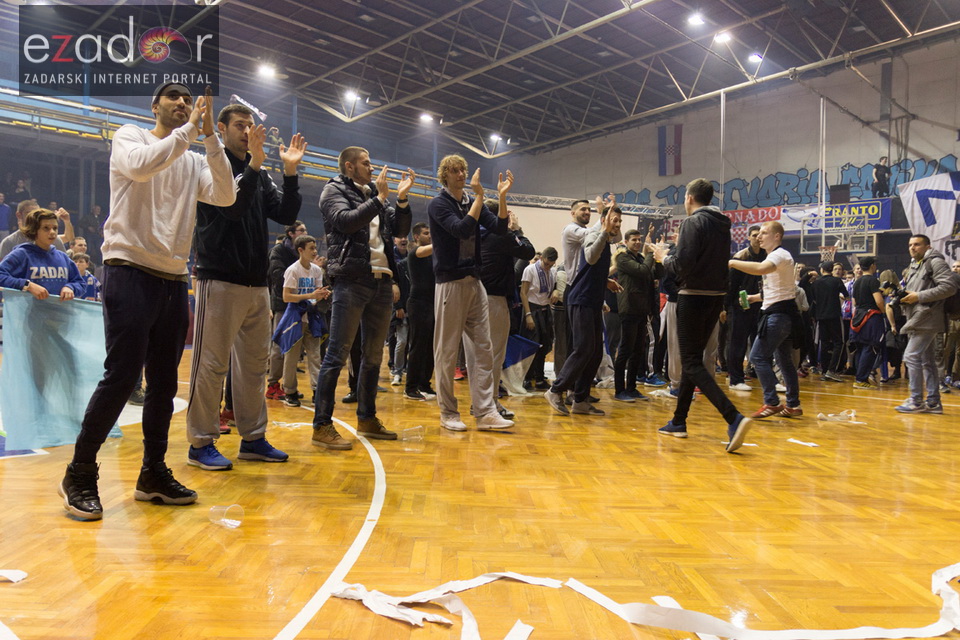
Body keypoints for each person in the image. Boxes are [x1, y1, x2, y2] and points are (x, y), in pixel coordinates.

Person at [60, 82, 236, 521]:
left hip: (173, 277)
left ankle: (153, 472)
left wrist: (211, 138)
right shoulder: (130, 136)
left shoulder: (194, 156)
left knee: (163, 384)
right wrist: (190, 131)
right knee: (122, 377)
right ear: (154, 105)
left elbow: (226, 195)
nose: (182, 102)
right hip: (128, 269)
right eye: (173, 97)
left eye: (187, 99)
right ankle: (79, 472)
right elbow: (140, 168)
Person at [185, 103, 306, 471]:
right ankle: (200, 442)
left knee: (253, 367)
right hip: (219, 278)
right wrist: (254, 166)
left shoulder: (261, 173)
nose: (248, 131)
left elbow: (285, 215)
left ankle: (253, 438)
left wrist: (289, 172)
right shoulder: (210, 164)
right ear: (221, 129)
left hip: (256, 283)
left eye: (251, 125)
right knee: (211, 365)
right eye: (240, 125)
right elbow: (232, 207)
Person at [311, 147, 414, 448]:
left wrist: (401, 199)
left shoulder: (374, 195)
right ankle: (321, 426)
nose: (371, 168)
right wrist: (379, 198)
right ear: (349, 166)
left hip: (382, 280)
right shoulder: (333, 190)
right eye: (366, 163)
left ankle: (367, 419)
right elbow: (345, 221)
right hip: (351, 279)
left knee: (373, 356)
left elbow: (400, 229)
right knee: (337, 354)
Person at [651, 180, 752, 452]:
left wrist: (663, 257)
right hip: (715, 297)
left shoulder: (692, 222)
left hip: (692, 296)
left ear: (689, 198)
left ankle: (733, 417)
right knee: (693, 359)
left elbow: (681, 265)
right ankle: (678, 420)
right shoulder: (722, 224)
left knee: (691, 361)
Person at [429, 155, 516, 432]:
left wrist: (501, 197)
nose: (461, 174)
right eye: (455, 170)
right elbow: (461, 229)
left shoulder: (469, 200)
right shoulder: (439, 204)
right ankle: (448, 412)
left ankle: (485, 411)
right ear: (445, 175)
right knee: (447, 351)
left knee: (483, 348)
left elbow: (500, 228)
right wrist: (480, 197)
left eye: (463, 169)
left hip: (475, 282)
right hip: (450, 283)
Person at [545, 201, 621, 417]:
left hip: (592, 297)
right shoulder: (581, 232)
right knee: (583, 348)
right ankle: (556, 390)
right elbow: (591, 256)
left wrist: (604, 281)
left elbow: (614, 239)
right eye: (614, 220)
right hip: (579, 296)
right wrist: (604, 219)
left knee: (595, 352)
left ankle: (580, 399)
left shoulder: (602, 236)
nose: (617, 225)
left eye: (620, 221)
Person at [729, 220, 802, 420]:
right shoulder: (777, 256)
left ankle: (772, 401)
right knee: (784, 361)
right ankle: (793, 404)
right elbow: (781, 289)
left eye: (764, 233)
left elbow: (761, 268)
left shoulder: (779, 255)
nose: (759, 237)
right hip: (783, 314)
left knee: (758, 357)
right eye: (758, 233)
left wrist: (732, 262)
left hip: (777, 316)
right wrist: (755, 298)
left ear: (776, 236)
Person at [482, 204, 535, 417]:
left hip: (477, 298)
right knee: (495, 355)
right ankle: (490, 404)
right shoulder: (500, 236)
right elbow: (528, 251)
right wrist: (516, 230)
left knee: (480, 356)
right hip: (494, 300)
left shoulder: (476, 235)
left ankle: (482, 403)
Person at [894, 234, 957, 414]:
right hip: (919, 317)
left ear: (928, 246)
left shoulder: (935, 262)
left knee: (911, 356)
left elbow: (949, 287)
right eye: (910, 245)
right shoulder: (916, 264)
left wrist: (918, 296)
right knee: (927, 361)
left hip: (927, 318)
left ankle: (916, 401)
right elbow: (917, 291)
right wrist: (903, 296)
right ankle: (933, 402)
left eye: (917, 244)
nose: (912, 248)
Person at [613, 228, 662, 402]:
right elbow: (642, 271)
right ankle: (619, 390)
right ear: (626, 242)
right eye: (634, 240)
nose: (637, 242)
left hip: (642, 309)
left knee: (638, 351)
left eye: (639, 239)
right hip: (629, 309)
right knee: (625, 350)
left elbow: (657, 274)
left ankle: (632, 388)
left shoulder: (640, 258)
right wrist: (649, 254)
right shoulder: (622, 258)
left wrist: (659, 258)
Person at [0, 208, 86, 300]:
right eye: (46, 228)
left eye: (55, 228)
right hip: (28, 309)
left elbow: (80, 283)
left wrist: (70, 287)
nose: (52, 232)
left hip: (59, 309)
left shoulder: (63, 258)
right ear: (34, 230)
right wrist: (27, 285)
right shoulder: (22, 254)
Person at [266, 220, 308, 400]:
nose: (305, 232)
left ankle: (289, 386)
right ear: (291, 233)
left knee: (293, 349)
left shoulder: (303, 252)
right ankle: (272, 385)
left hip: (300, 304)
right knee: (279, 346)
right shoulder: (278, 251)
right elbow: (278, 276)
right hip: (283, 304)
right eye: (301, 230)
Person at [725, 225, 765, 391]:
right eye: (754, 235)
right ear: (748, 237)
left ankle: (760, 374)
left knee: (761, 341)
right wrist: (726, 307)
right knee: (738, 343)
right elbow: (731, 285)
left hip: (761, 306)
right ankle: (735, 379)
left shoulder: (767, 256)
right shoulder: (740, 257)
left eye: (760, 235)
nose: (757, 238)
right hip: (740, 306)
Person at [403, 222, 437, 401]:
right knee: (417, 346)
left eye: (430, 233)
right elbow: (434, 247)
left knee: (431, 346)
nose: (429, 235)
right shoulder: (414, 252)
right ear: (416, 237)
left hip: (432, 303)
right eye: (425, 233)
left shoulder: (432, 255)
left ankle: (424, 384)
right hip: (418, 303)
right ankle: (410, 387)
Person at [520, 246, 557, 390]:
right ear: (541, 258)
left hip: (545, 310)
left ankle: (540, 379)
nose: (547, 267)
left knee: (544, 345)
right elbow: (523, 293)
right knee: (532, 345)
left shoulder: (552, 272)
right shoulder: (530, 270)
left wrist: (555, 291)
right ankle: (527, 378)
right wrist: (528, 315)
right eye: (546, 264)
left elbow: (553, 287)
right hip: (532, 308)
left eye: (550, 265)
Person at [849, 256, 886, 389]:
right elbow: (879, 301)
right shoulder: (873, 280)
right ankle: (861, 379)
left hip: (858, 316)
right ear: (872, 266)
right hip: (871, 317)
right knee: (871, 347)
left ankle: (859, 377)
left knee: (860, 348)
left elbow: (854, 302)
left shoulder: (857, 282)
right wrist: (884, 312)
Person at [810, 260, 849, 382]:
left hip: (821, 316)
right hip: (834, 315)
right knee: (839, 343)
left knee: (824, 343)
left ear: (822, 270)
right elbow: (846, 295)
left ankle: (824, 370)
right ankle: (832, 370)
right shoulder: (837, 281)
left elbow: (813, 300)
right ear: (832, 270)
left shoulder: (816, 283)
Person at [0, 200, 68, 261]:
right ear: (19, 215)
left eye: (37, 214)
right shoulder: (9, 242)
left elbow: (65, 265)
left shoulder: (54, 240)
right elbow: (3, 269)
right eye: (29, 213)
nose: (34, 217)